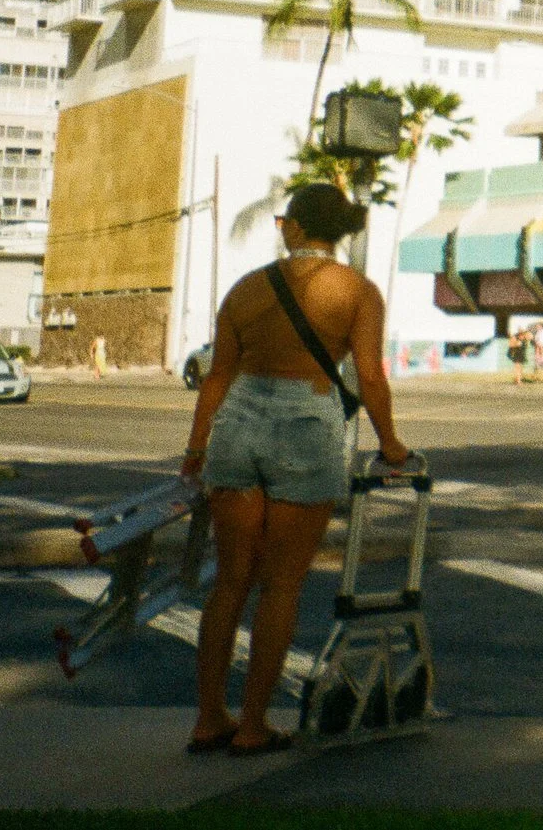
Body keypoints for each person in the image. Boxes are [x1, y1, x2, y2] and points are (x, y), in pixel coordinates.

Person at [181, 183, 407, 757]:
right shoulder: (358, 291)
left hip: (238, 425)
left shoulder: (246, 289)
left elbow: (217, 377)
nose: (281, 227)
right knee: (281, 584)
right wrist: (392, 445)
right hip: (309, 425)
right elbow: (370, 379)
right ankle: (254, 725)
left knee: (231, 578)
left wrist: (195, 448)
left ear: (299, 228)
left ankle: (210, 718)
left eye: (286, 221)